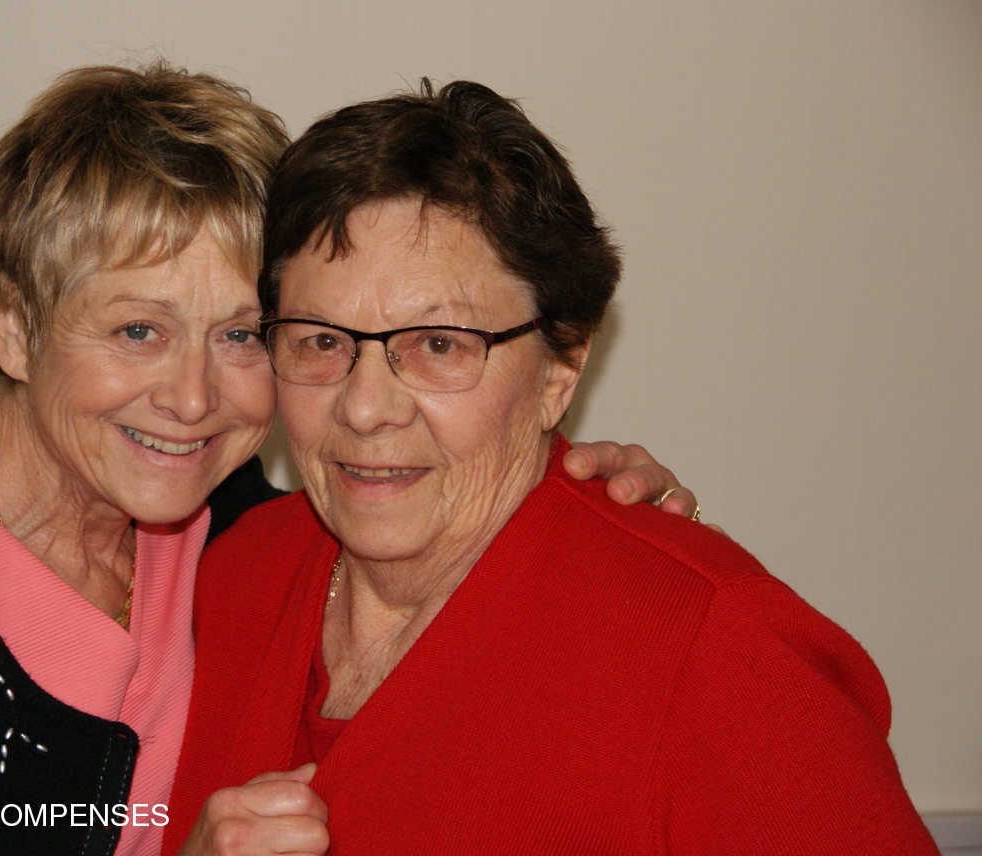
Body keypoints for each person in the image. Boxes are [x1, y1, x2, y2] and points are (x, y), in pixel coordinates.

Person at [0, 65, 692, 855]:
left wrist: (565, 487)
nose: (191, 398)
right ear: (14, 325)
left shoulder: (243, 531)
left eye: (242, 335)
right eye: (138, 330)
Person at [166, 80, 938, 855]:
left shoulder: (712, 649)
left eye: (439, 344)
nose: (365, 408)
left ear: (561, 368)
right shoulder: (232, 578)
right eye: (321, 341)